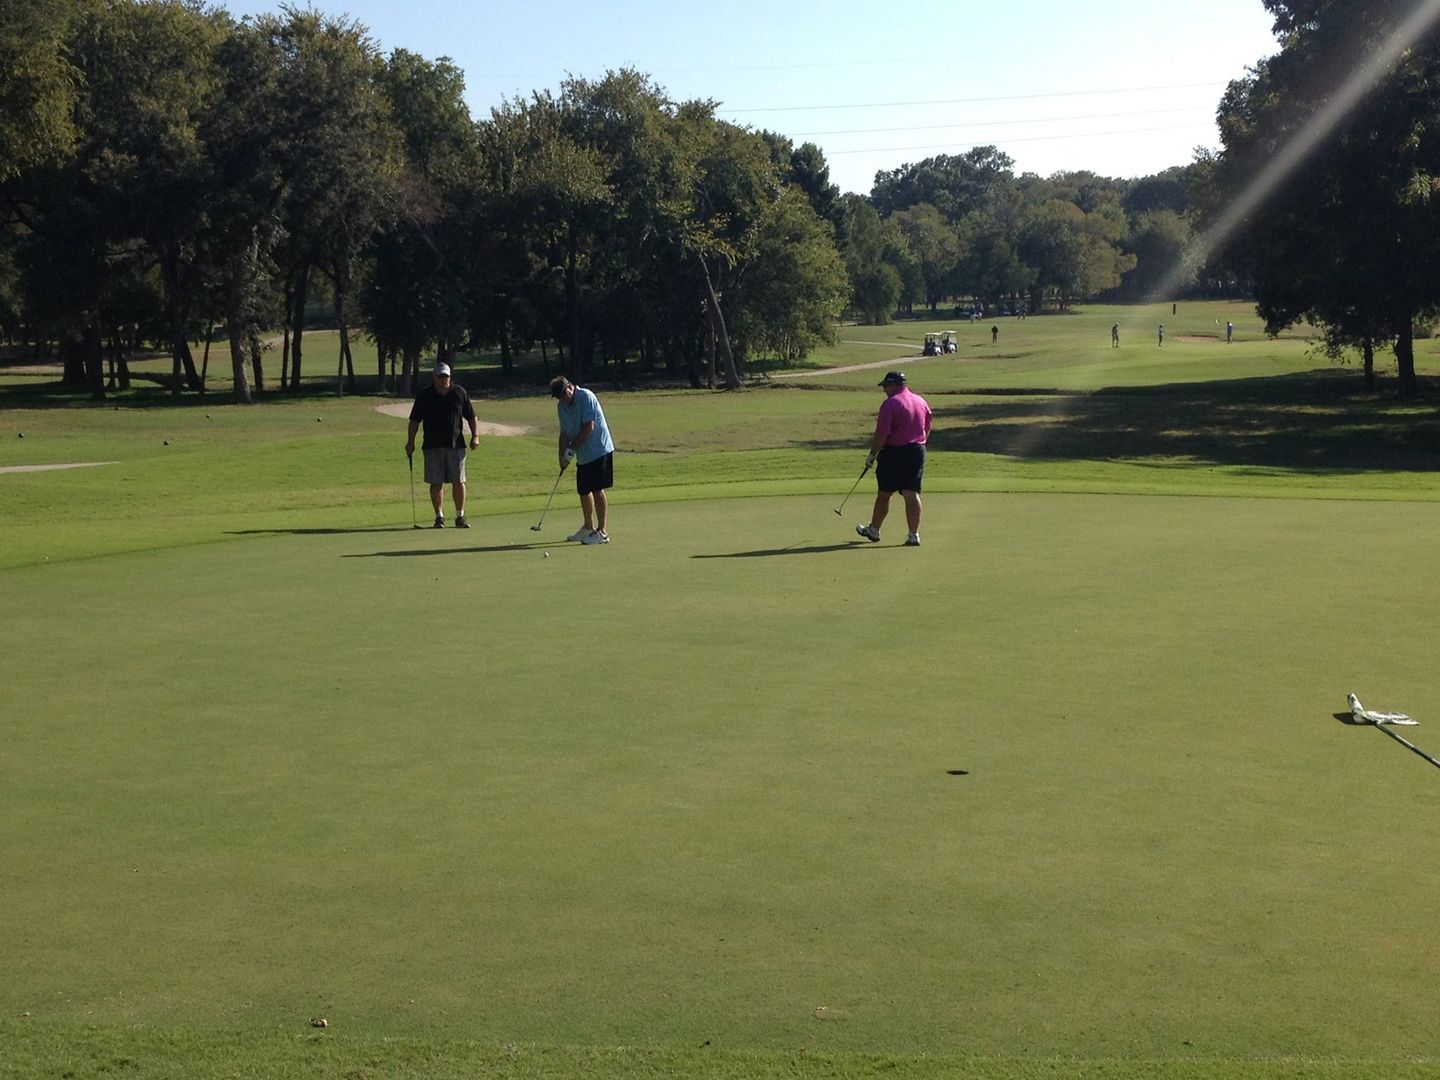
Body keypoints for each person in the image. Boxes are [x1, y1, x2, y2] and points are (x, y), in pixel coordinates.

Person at [856, 371, 932, 547]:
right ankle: (913, 535)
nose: (884, 390)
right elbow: (927, 427)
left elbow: (881, 434)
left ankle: (874, 530)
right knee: (911, 493)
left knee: (885, 493)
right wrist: (918, 444)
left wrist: (872, 455)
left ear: (894, 385)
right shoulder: (920, 401)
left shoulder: (890, 404)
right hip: (917, 450)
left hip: (893, 452)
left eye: (886, 386)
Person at [405, 361, 479, 528]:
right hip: (432, 445)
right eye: (440, 377)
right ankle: (439, 517)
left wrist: (475, 436)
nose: (443, 380)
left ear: (450, 377)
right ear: (434, 377)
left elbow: (471, 416)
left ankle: (460, 516)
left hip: (456, 445)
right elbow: (414, 421)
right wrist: (410, 442)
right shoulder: (425, 395)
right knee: (436, 482)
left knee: (459, 481)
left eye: (446, 376)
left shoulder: (459, 392)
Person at [550, 375, 615, 544]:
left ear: (570, 387)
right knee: (583, 490)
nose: (563, 399)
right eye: (559, 397)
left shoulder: (586, 397)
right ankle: (588, 527)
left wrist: (571, 450)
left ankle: (602, 532)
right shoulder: (561, 406)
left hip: (599, 449)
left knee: (597, 489)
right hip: (583, 453)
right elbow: (564, 433)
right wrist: (562, 455)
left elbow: (589, 427)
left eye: (564, 394)